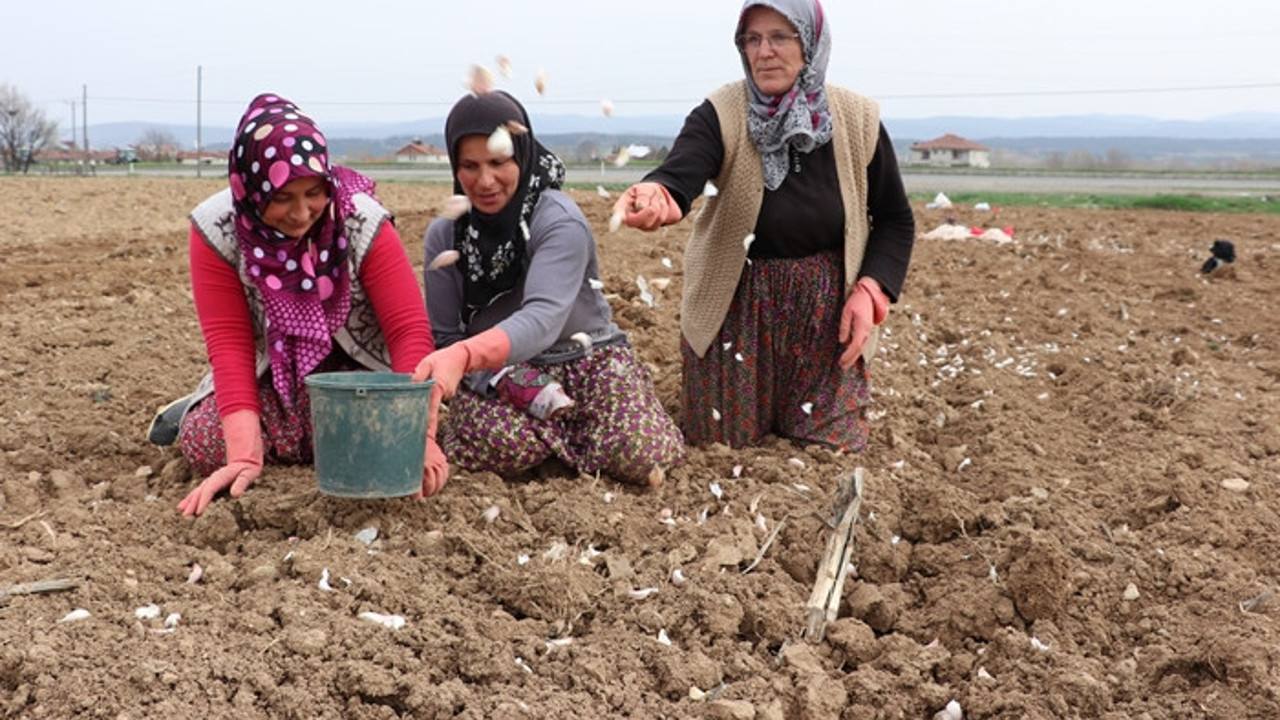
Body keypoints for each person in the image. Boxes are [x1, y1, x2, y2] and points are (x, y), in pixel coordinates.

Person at [611, 0, 915, 454]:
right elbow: (680, 175)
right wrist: (658, 195)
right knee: (720, 449)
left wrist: (871, 290)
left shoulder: (857, 119)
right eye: (752, 40)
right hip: (736, 308)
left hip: (824, 316)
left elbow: (895, 219)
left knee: (830, 451)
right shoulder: (722, 113)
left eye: (779, 37)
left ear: (810, 43)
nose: (764, 51)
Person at [147, 93, 436, 516]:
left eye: (314, 193)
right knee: (206, 441)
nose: (301, 214)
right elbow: (230, 343)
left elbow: (408, 329)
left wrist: (414, 436)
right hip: (275, 379)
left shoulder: (361, 220)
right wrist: (243, 455)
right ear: (252, 189)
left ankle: (314, 440)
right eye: (282, 198)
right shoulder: (217, 229)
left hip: (358, 380)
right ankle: (208, 410)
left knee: (398, 433)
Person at [411, 90, 684, 493]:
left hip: (586, 358)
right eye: (469, 166)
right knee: (501, 443)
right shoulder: (446, 235)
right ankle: (576, 446)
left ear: (522, 155)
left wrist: (464, 355)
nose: (484, 181)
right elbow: (447, 335)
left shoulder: (557, 219)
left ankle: (568, 443)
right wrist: (490, 373)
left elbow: (543, 318)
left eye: (498, 162)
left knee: (643, 454)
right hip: (500, 373)